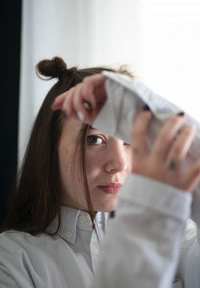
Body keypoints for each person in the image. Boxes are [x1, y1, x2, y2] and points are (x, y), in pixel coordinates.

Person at [0, 56, 199, 288]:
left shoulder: (179, 238)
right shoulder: (12, 261)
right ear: (50, 147)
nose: (120, 163)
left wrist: (167, 120)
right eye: (95, 139)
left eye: (131, 140)